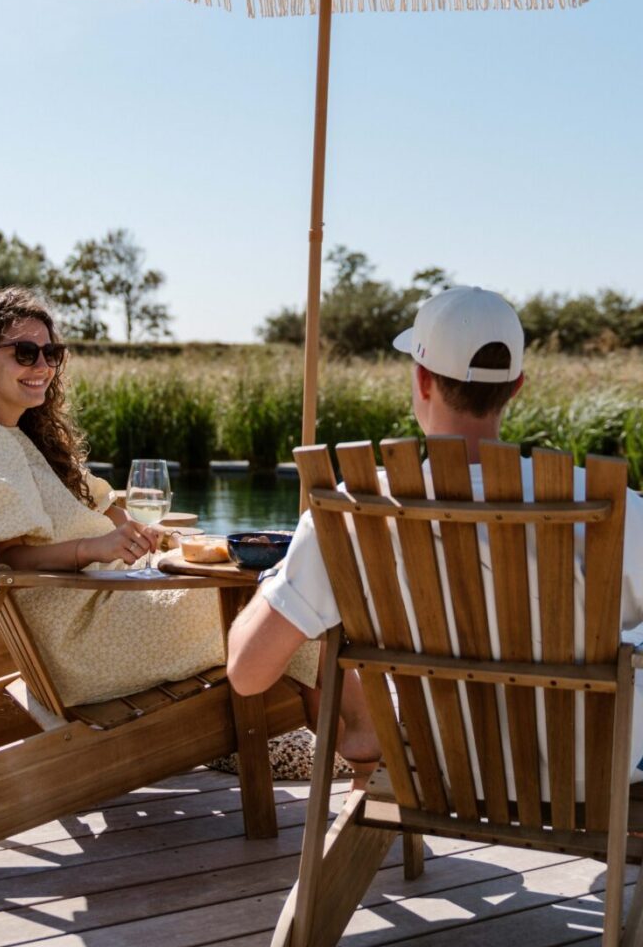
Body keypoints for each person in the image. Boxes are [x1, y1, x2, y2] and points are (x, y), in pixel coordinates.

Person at [228, 285, 643, 793]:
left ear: (422, 380)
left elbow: (247, 673)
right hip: (590, 775)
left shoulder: (354, 509)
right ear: (516, 387)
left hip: (433, 762)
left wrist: (276, 576)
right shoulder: (604, 506)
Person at [0, 286, 316, 708]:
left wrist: (130, 535)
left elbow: (93, 514)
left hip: (108, 603)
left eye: (52, 353)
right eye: (25, 353)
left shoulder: (13, 435)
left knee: (285, 572)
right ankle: (360, 738)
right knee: (281, 593)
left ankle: (348, 734)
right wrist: (93, 547)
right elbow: (7, 558)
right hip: (88, 640)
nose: (43, 365)